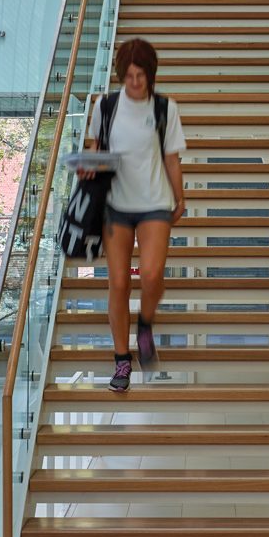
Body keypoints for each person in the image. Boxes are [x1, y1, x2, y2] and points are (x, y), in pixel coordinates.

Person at [86, 37, 186, 393]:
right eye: (128, 75)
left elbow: (172, 158)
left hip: (155, 203)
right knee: (117, 283)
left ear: (151, 75)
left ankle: (145, 323)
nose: (134, 82)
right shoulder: (106, 106)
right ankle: (121, 360)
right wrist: (88, 168)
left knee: (153, 273)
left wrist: (180, 195)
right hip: (115, 205)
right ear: (120, 75)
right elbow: (95, 149)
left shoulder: (164, 108)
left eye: (140, 75)